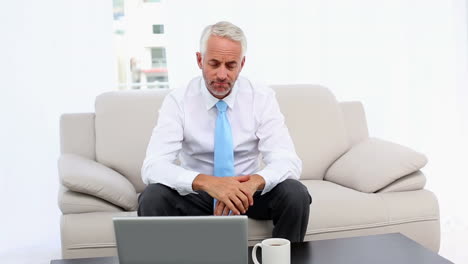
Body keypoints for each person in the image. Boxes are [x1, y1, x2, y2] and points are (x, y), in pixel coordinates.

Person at [138, 21, 312, 242]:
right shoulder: (178, 100)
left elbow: (287, 160)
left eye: (230, 65)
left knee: (294, 193)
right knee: (152, 197)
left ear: (242, 64)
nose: (222, 74)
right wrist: (209, 183)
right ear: (200, 60)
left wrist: (254, 182)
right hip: (199, 193)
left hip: (248, 194)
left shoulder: (261, 97)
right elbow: (153, 166)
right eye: (214, 63)